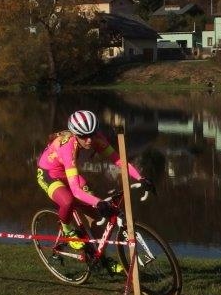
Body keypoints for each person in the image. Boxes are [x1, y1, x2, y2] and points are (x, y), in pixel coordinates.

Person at [36, 110, 155, 273]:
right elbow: (76, 191)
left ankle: (101, 258)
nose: (89, 140)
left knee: (96, 217)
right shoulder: (68, 147)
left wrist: (140, 178)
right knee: (68, 201)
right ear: (75, 134)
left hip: (68, 173)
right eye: (84, 136)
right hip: (49, 174)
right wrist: (99, 202)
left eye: (91, 134)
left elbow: (118, 161)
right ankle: (67, 230)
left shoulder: (97, 138)